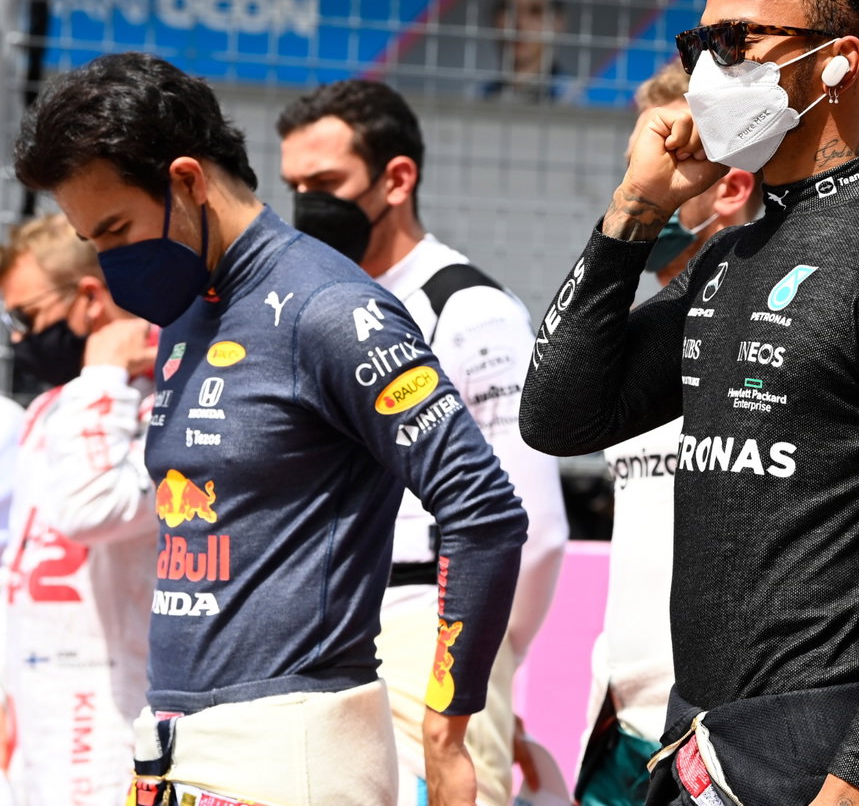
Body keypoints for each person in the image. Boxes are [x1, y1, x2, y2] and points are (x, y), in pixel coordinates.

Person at [520, 0, 859, 806]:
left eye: (736, 41)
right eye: (695, 45)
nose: (708, 68)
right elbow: (559, 417)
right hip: (702, 742)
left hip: (826, 756)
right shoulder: (732, 255)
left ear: (836, 65)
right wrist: (634, 212)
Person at [11, 52, 528, 806]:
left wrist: (448, 731)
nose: (111, 262)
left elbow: (484, 510)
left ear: (186, 181)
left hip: (295, 753)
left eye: (117, 229)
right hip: (175, 750)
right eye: (94, 241)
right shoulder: (186, 311)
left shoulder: (331, 308)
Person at [276, 78, 569, 806]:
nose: (306, 203)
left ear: (397, 178)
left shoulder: (470, 310)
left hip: (426, 623)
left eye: (326, 182)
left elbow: (531, 524)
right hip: (318, 635)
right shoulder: (299, 304)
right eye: (294, 185)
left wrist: (480, 659)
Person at [574, 62, 762, 806]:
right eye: (636, 168)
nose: (643, 188)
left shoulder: (777, 340)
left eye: (670, 167)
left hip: (722, 738)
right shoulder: (637, 343)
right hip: (618, 725)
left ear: (732, 188)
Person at [0, 214, 153, 804]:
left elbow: (91, 510)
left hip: (111, 719)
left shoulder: (157, 403)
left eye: (28, 318)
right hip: (37, 715)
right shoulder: (49, 409)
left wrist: (106, 371)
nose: (18, 339)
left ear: (89, 297)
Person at [485, 0, 568, 103]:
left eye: (535, 11)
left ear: (558, 23)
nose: (520, 24)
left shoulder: (577, 101)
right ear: (493, 17)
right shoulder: (476, 100)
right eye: (508, 8)